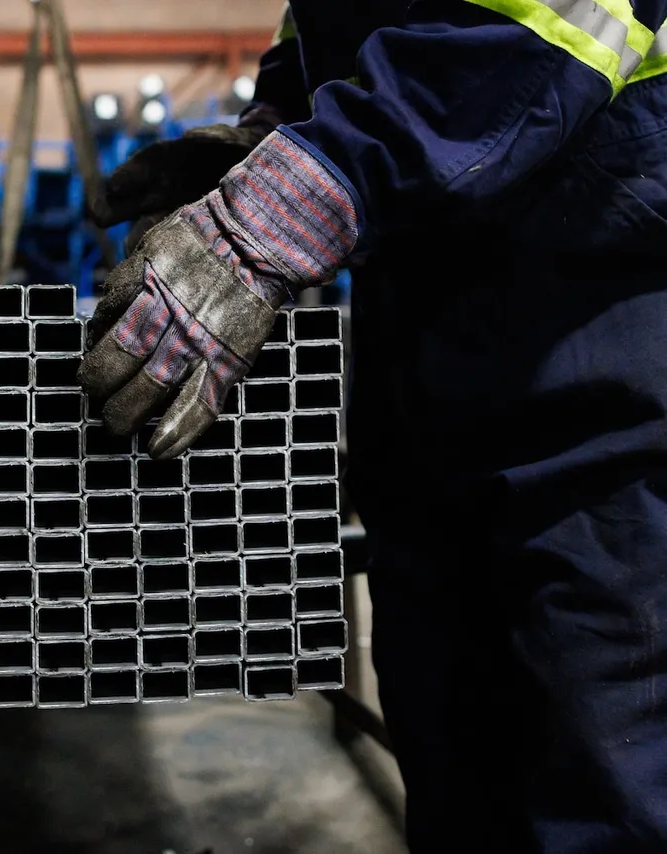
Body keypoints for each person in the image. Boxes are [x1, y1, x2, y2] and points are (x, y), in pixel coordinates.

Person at [79, 1, 667, 851]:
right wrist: (273, 129)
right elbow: (333, 18)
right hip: (425, 356)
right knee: (451, 760)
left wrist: (292, 199)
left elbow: (550, 24)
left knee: (601, 771)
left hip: (598, 326)